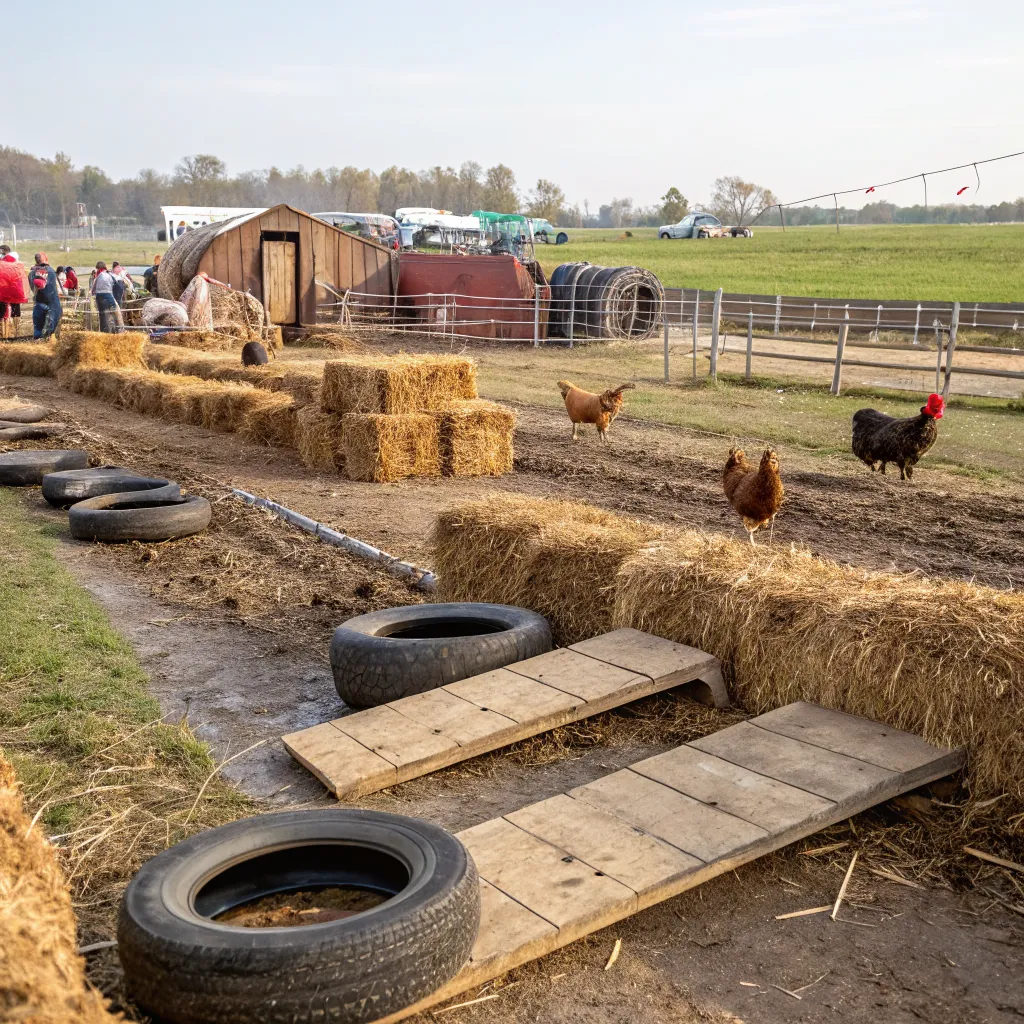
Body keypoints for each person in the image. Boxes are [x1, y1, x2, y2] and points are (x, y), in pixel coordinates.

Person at [28, 252, 62, 340]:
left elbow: (33, 288)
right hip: (52, 302)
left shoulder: (31, 273)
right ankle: (47, 340)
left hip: (38, 301)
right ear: (45, 259)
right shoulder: (50, 270)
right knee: (51, 325)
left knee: (38, 326)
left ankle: (38, 342)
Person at [0, 245, 26, 338]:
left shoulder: (2, 262)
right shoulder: (17, 262)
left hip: (4, 289)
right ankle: (16, 331)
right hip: (16, 288)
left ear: (3, 251)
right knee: (16, 310)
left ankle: (4, 334)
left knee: (2, 311)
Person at [91, 260, 121, 333]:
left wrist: (92, 293)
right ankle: (115, 330)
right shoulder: (110, 274)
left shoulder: (99, 275)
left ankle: (104, 331)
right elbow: (118, 286)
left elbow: (93, 288)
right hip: (109, 296)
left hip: (100, 297)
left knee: (103, 315)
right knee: (113, 313)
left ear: (98, 268)